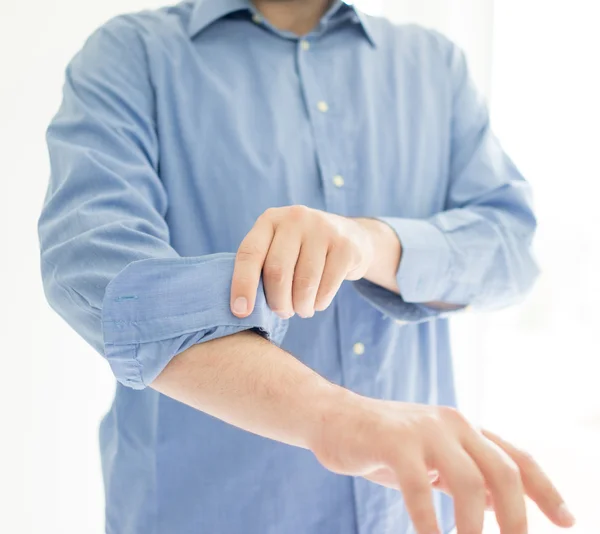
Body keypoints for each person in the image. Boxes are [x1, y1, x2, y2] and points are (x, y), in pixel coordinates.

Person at [38, 1, 575, 533]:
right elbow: (102, 274)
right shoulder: (131, 54)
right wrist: (338, 419)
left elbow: (511, 250)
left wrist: (371, 243)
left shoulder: (435, 64)